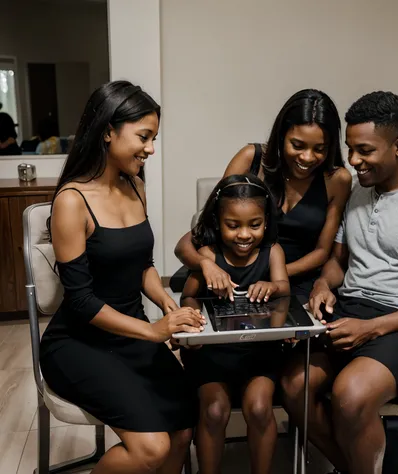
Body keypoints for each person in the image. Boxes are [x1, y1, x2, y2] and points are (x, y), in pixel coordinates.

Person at [281, 91, 398, 474]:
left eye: (365, 150)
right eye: (350, 148)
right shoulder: (358, 194)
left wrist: (372, 328)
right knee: (293, 387)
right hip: (348, 312)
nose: (352, 161)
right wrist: (322, 287)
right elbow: (337, 261)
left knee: (350, 395)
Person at [40, 80, 205, 474]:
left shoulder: (135, 185)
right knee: (149, 448)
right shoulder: (72, 201)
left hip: (129, 334)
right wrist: (154, 331)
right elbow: (80, 302)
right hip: (80, 343)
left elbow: (143, 265)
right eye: (144, 137)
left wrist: (165, 300)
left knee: (184, 426)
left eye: (154, 138)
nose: (151, 149)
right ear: (108, 131)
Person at [175, 89, 352, 303]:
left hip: (295, 282)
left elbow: (322, 252)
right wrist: (212, 266)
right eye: (297, 145)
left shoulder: (337, 179)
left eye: (320, 149)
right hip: (234, 277)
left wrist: (274, 276)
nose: (307, 157)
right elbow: (199, 234)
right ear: (281, 135)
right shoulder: (251, 159)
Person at [179, 174, 290, 474]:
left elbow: (284, 287)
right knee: (214, 412)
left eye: (254, 225)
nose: (244, 234)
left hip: (259, 353)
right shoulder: (209, 255)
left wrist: (272, 286)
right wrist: (195, 322)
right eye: (233, 225)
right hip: (213, 354)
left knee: (258, 408)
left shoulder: (272, 252)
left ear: (266, 222)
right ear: (218, 222)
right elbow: (188, 297)